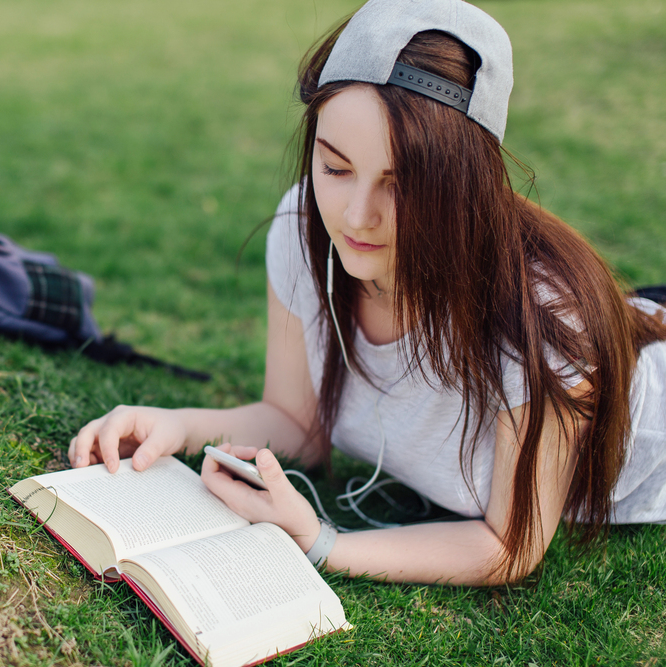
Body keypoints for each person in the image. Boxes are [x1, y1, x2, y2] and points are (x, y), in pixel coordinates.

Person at [68, 0, 666, 586]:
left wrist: (323, 542)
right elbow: (296, 420)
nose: (356, 217)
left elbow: (507, 544)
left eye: (400, 183)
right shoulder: (303, 223)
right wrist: (179, 426)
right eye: (335, 168)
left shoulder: (536, 314)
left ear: (466, 184)